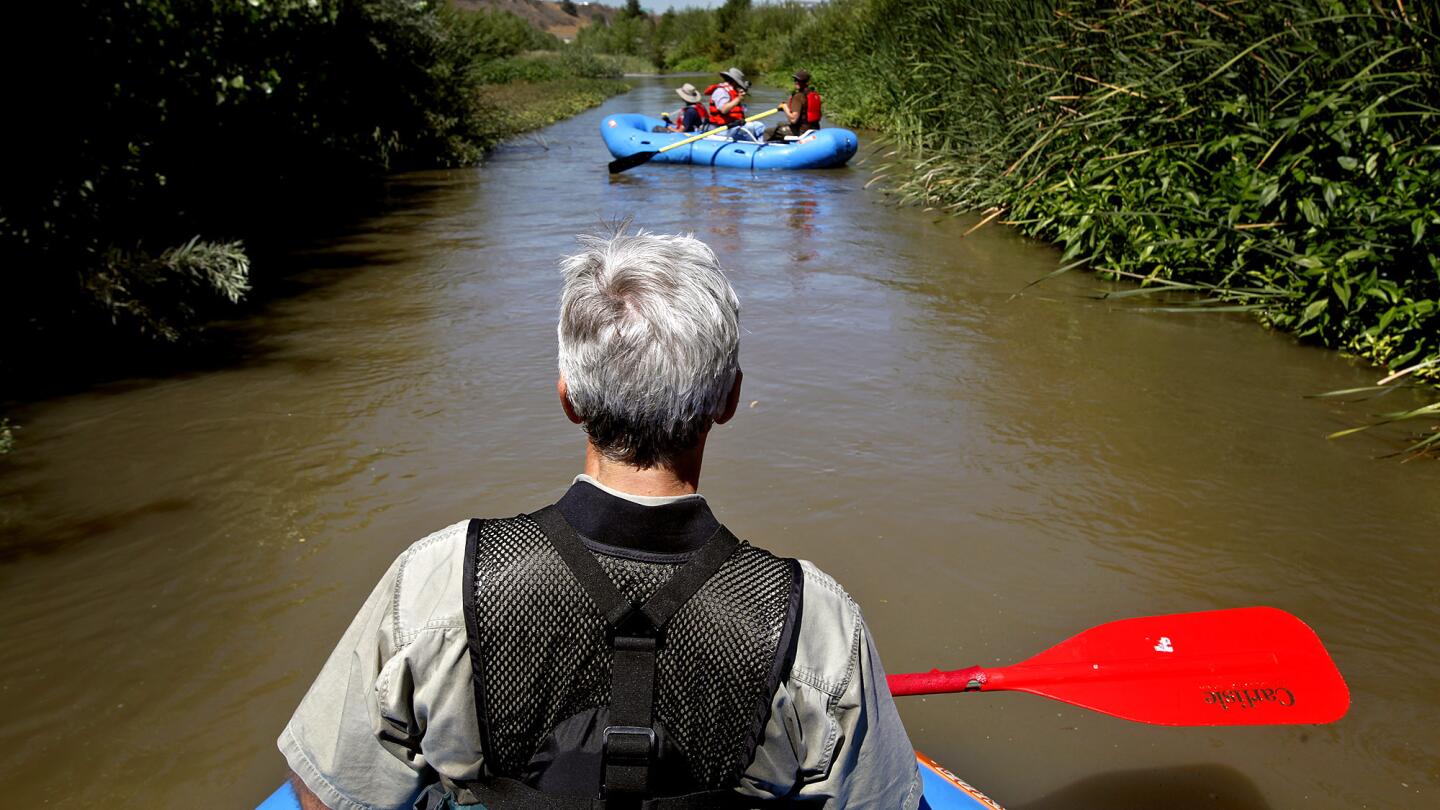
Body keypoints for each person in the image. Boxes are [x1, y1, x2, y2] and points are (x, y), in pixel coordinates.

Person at [277, 230, 921, 809]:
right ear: (728, 398)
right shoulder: (814, 618)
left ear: (570, 395)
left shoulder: (438, 579)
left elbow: (328, 788)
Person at [705, 67, 766, 142]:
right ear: (734, 82)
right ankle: (752, 147)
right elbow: (724, 109)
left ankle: (762, 145)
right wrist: (738, 99)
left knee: (759, 125)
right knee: (749, 127)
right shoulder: (721, 91)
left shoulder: (734, 92)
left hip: (733, 126)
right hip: (720, 129)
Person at [769, 70, 824, 142]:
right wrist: (787, 108)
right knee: (780, 124)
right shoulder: (813, 94)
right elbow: (805, 110)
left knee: (769, 132)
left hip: (801, 132)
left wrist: (784, 107)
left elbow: (793, 119)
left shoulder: (798, 96)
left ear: (806, 82)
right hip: (814, 130)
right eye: (795, 80)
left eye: (799, 80)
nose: (796, 82)